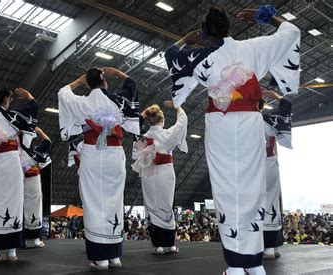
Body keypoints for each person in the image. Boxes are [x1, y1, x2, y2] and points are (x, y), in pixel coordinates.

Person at [164, 5, 300, 275]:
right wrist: (266, 18)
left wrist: (185, 40)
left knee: (226, 189)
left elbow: (171, 55)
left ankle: (236, 266)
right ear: (228, 28)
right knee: (252, 187)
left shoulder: (200, 56)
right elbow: (291, 31)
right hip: (250, 122)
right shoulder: (253, 47)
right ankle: (255, 263)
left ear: (204, 33)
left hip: (220, 124)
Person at [58, 67, 140, 270]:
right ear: (105, 82)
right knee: (114, 200)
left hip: (92, 153)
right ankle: (114, 256)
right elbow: (132, 85)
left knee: (94, 202)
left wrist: (77, 82)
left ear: (88, 83)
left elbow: (62, 93)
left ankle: (100, 257)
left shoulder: (82, 103)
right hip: (114, 154)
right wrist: (117, 73)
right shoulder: (117, 100)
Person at [0, 85, 37, 262]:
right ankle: (12, 250)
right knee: (13, 200)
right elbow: (32, 111)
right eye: (10, 99)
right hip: (9, 161)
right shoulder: (9, 115)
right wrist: (29, 97)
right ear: (5, 99)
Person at [132, 103, 187, 255]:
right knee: (167, 205)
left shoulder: (144, 137)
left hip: (149, 173)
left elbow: (133, 127)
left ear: (149, 121)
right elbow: (182, 121)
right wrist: (177, 107)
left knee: (152, 205)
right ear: (162, 120)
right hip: (165, 172)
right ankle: (170, 244)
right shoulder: (167, 134)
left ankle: (159, 245)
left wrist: (143, 113)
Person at [261, 89, 292, 259]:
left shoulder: (242, 121)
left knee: (253, 204)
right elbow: (286, 106)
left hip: (251, 166)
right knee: (271, 202)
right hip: (269, 163)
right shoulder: (268, 119)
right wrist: (275, 96)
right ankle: (271, 247)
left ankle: (255, 245)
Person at [21, 125, 52, 248]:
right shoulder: (33, 153)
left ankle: (19, 239)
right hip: (32, 180)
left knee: (18, 207)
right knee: (34, 208)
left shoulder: (14, 149)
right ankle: (35, 239)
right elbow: (47, 142)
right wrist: (39, 131)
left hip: (17, 179)